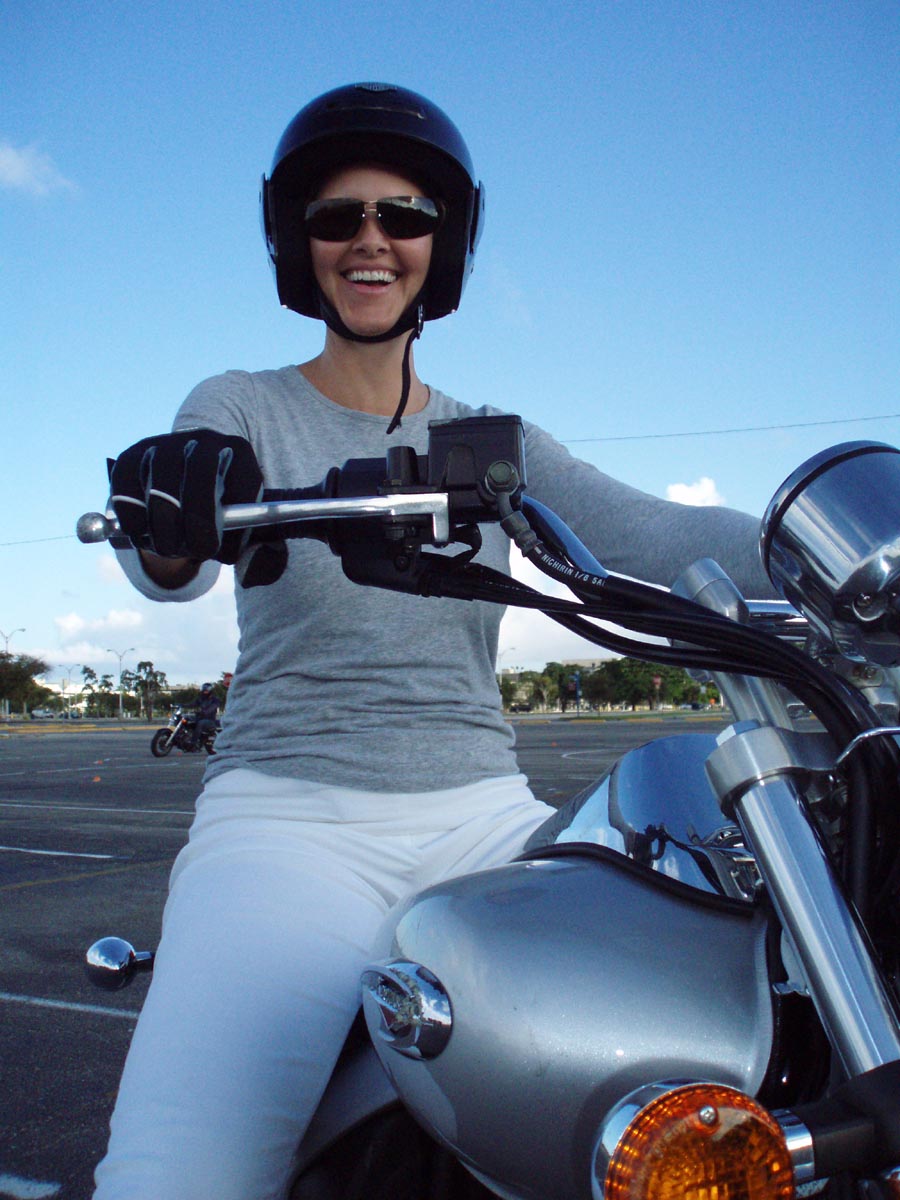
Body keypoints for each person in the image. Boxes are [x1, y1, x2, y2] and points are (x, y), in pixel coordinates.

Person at [94, 83, 775, 1200]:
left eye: (404, 216)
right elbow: (172, 551)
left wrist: (823, 553)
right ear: (299, 243)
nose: (372, 240)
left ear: (441, 245)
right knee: (177, 1176)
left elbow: (655, 532)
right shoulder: (241, 402)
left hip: (484, 817)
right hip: (287, 818)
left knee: (670, 1066)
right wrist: (171, 513)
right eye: (339, 217)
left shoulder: (489, 443)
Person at [192, 680, 219, 748]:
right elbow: (192, 704)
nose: (204, 692)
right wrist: (181, 705)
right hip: (200, 717)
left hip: (210, 720)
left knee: (200, 723)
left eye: (206, 691)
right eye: (204, 690)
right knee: (187, 719)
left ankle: (193, 742)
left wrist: (204, 712)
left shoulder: (215, 700)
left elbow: (212, 708)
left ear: (210, 691)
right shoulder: (201, 699)